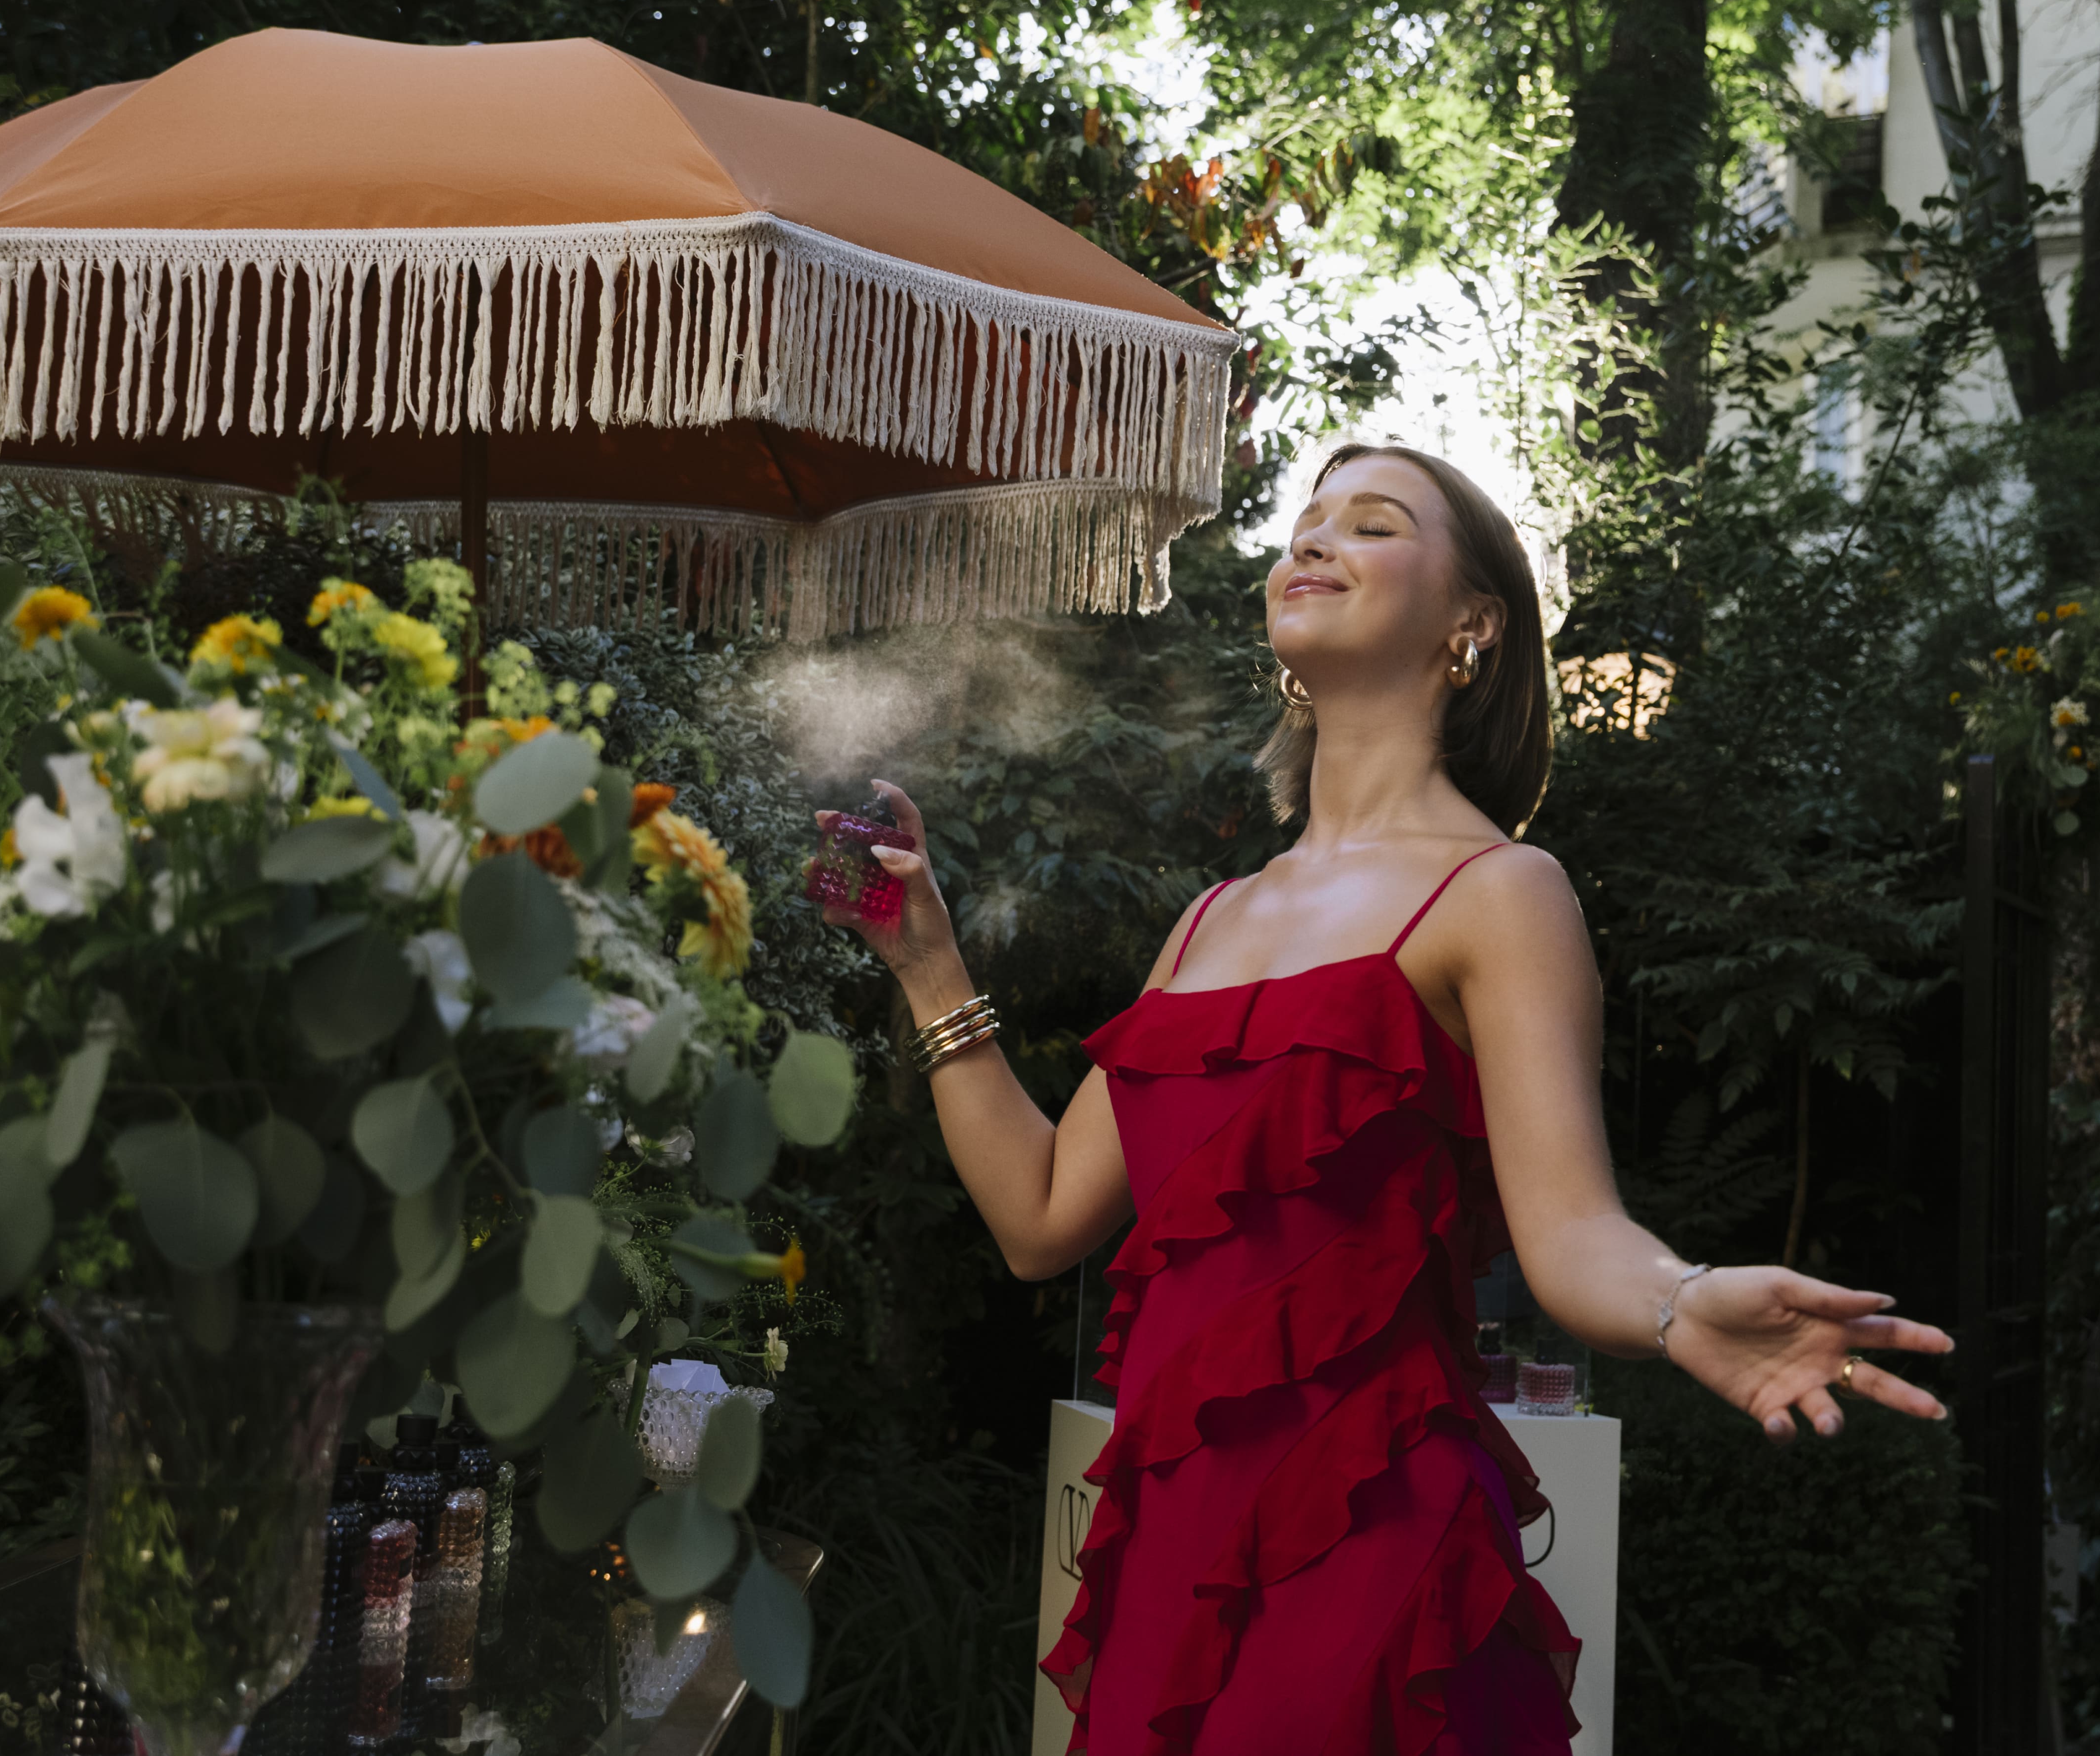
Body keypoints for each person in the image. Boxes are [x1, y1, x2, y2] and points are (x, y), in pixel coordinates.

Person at [819, 442, 1954, 1756]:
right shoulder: (1206, 923)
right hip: (1165, 1554)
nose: (1312, 542)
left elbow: (1573, 1232)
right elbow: (1038, 1216)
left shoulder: (1503, 893)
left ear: (1470, 625)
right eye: (1305, 524)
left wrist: (1683, 1300)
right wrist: (927, 964)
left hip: (1365, 1543)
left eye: (1369, 524)